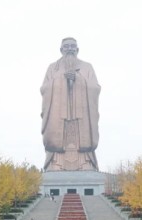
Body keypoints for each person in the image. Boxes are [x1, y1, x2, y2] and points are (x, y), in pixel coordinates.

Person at [41, 37, 101, 171]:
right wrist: (61, 79)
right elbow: (44, 89)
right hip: (59, 117)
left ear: (77, 49)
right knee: (56, 158)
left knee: (83, 152)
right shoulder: (53, 68)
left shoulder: (87, 67)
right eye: (66, 46)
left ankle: (85, 162)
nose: (70, 49)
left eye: (72, 46)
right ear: (61, 50)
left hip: (81, 120)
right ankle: (56, 163)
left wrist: (78, 79)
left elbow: (95, 88)